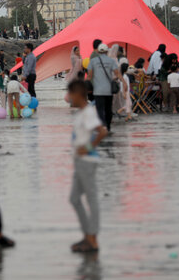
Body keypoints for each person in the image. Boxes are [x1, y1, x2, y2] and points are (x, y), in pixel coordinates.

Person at [66, 79, 108, 253]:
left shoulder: (89, 112)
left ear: (78, 94)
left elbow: (102, 131)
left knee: (91, 198)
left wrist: (89, 148)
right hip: (79, 161)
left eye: (70, 94)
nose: (68, 98)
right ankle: (87, 234)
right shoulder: (81, 112)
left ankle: (93, 238)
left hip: (88, 162)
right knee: (74, 199)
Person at [87, 44, 126, 131]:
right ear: (106, 51)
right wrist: (124, 82)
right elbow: (117, 73)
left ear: (99, 51)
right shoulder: (111, 61)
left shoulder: (93, 61)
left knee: (100, 108)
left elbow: (89, 76)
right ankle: (108, 126)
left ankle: (102, 124)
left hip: (98, 90)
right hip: (108, 90)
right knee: (108, 108)